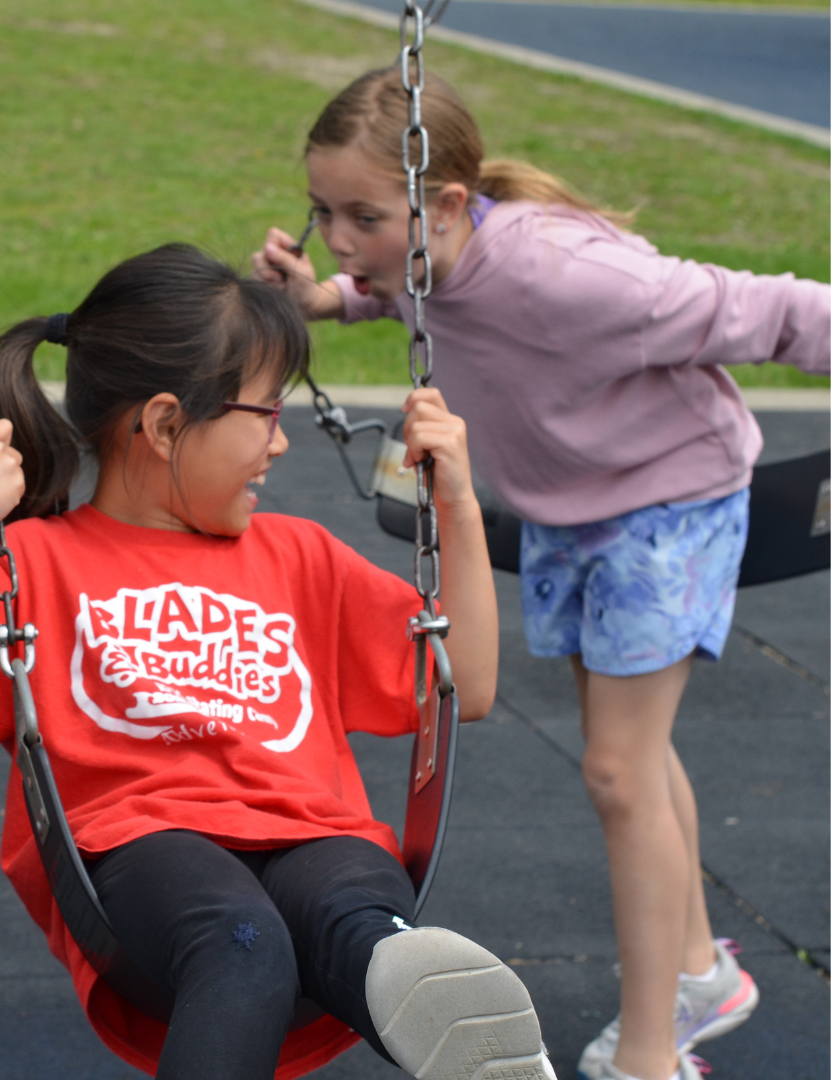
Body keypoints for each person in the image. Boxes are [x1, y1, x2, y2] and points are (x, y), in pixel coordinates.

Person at [0, 244, 558, 1080]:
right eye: (265, 413)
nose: (282, 442)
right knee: (242, 944)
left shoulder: (300, 555)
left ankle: (443, 1010)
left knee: (357, 918)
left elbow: (463, 687)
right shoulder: (35, 564)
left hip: (315, 833)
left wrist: (458, 507)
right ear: (161, 424)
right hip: (142, 842)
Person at [253, 67, 830, 1080]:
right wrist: (326, 298)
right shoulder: (430, 257)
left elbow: (776, 310)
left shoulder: (572, 275)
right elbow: (404, 296)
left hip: (670, 503)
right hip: (572, 507)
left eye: (362, 217)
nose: (339, 237)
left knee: (617, 768)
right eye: (324, 212)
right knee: (634, 756)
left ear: (441, 204)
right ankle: (700, 972)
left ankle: (651, 1052)